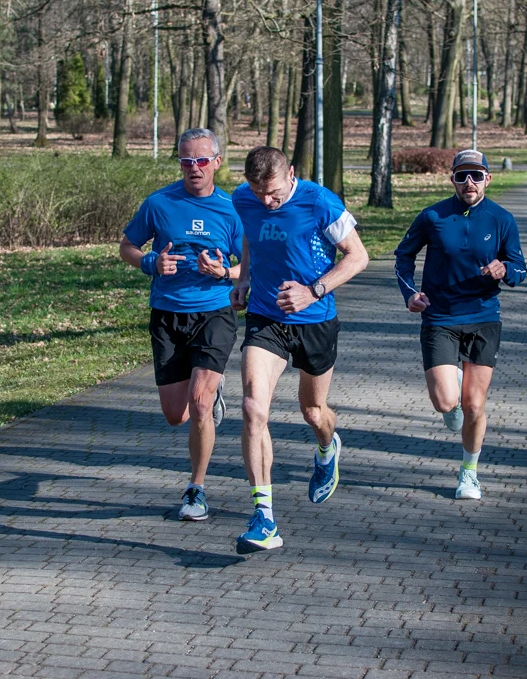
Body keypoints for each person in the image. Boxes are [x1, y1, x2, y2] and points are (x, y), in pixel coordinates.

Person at [229, 146, 369, 553]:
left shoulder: (319, 201)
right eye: (259, 194)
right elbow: (251, 236)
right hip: (267, 318)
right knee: (254, 408)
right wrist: (245, 280)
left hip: (315, 319)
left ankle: (328, 447)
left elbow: (358, 256)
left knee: (313, 412)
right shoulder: (245, 198)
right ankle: (264, 518)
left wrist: (313, 291)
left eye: (272, 193)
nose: (266, 202)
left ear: (291, 173)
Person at [120, 128, 242, 522]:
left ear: (217, 162)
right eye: (186, 161)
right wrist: (150, 262)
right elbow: (127, 246)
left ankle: (196, 489)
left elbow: (251, 267)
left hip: (215, 312)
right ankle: (207, 390)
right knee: (177, 414)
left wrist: (225, 272)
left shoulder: (234, 208)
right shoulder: (159, 203)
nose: (194, 168)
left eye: (202, 160)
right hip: (167, 314)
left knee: (200, 403)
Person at [394, 149, 527, 500]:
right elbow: (402, 257)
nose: (469, 182)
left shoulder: (502, 219)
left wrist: (505, 271)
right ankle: (450, 388)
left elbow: (520, 268)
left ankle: (469, 474)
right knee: (444, 402)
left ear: (488, 178)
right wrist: (409, 293)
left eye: (477, 175)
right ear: (451, 178)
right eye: (461, 176)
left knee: (474, 405)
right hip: (439, 316)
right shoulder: (433, 216)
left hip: (484, 317)